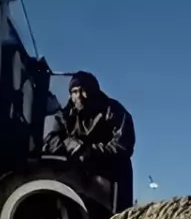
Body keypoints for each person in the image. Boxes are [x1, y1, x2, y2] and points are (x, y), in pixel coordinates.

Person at [42, 70, 136, 210]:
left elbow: (123, 145)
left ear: (94, 91)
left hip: (110, 176)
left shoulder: (113, 110)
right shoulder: (65, 114)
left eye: (84, 90)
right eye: (74, 91)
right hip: (78, 177)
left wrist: (90, 151)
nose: (79, 96)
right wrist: (70, 144)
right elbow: (50, 139)